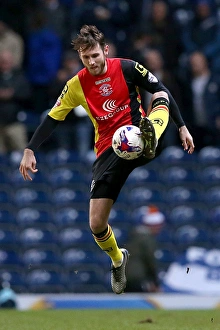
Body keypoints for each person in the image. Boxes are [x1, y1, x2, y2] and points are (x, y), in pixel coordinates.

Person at [19, 25, 194, 295]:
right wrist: (30, 148)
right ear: (80, 58)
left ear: (106, 51)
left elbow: (162, 89)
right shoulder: (76, 84)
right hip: (108, 151)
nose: (92, 62)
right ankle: (117, 259)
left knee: (159, 94)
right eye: (86, 58)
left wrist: (181, 126)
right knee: (96, 223)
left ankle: (150, 137)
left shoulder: (127, 68)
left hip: (137, 132)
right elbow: (54, 118)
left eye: (95, 56)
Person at [126, 205, 165, 293]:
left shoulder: (134, 236)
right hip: (137, 278)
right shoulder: (147, 239)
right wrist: (155, 282)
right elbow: (150, 261)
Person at [0, 49, 31, 154]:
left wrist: (12, 94)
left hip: (15, 123)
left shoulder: (19, 76)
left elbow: (26, 94)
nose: (5, 64)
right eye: (2, 61)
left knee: (22, 153)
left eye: (7, 61)